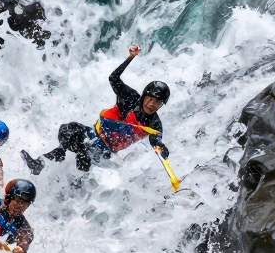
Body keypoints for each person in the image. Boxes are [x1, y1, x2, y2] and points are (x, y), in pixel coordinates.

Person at [21, 44, 170, 174]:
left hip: (103, 152)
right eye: (150, 98)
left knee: (83, 153)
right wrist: (130, 58)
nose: (151, 104)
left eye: (157, 102)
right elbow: (113, 78)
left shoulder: (155, 124)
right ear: (144, 95)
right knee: (68, 129)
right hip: (92, 133)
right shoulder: (130, 97)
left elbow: (155, 141)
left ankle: (73, 190)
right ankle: (42, 163)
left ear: (161, 105)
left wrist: (161, 148)